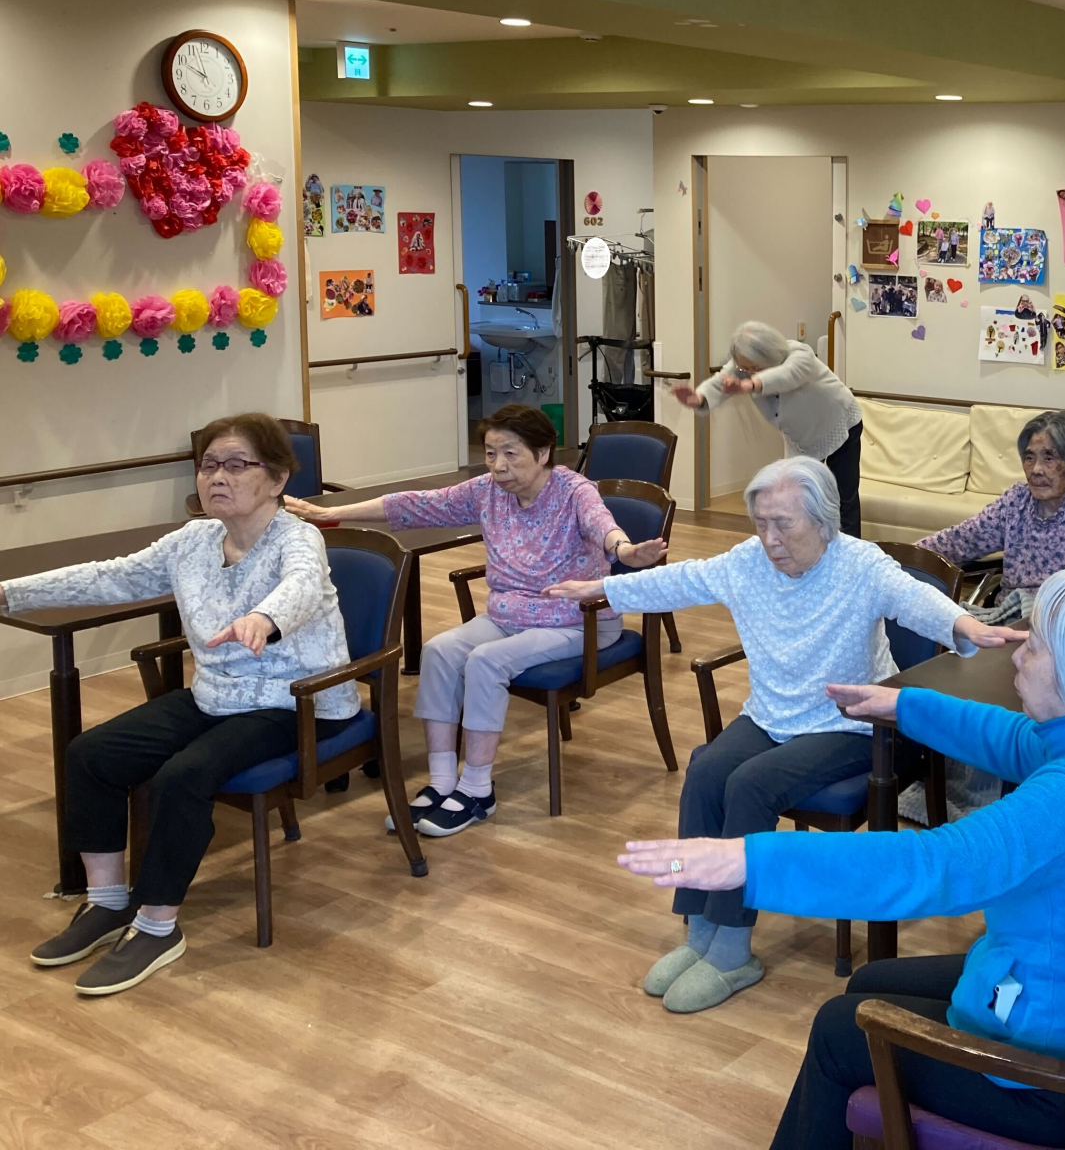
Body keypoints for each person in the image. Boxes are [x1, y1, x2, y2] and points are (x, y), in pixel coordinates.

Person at [616, 564, 1065, 1149]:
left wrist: (749, 862)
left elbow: (933, 866)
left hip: (1057, 1079)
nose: (1018, 656)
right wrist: (903, 706)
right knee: (871, 982)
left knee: (840, 1030)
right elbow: (1013, 738)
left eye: (1034, 647)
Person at [545, 457, 1017, 1014]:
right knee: (705, 771)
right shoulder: (747, 562)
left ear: (823, 520)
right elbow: (681, 579)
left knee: (750, 785)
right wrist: (602, 588)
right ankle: (699, 933)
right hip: (771, 715)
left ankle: (731, 950)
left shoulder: (860, 564)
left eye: (784, 524)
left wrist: (966, 626)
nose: (770, 539)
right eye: (761, 522)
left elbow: (915, 599)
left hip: (849, 723)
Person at [5, 414, 355, 996]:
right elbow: (110, 578)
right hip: (215, 695)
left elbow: (299, 586)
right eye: (209, 464)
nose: (218, 476)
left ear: (276, 479)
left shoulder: (298, 538)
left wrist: (263, 619)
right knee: (91, 754)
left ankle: (157, 926)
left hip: (295, 700)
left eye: (237, 464)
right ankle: (108, 902)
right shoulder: (192, 541)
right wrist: (11, 592)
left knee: (182, 776)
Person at [286, 403, 662, 836]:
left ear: (543, 453)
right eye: (490, 453)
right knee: (438, 652)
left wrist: (625, 551)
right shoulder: (488, 491)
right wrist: (328, 514)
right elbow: (415, 506)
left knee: (486, 661)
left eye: (510, 454)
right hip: (510, 615)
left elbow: (603, 526)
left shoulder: (574, 491)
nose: (498, 466)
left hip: (577, 620)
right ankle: (443, 781)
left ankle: (478, 789)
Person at [917, 410, 1065, 627]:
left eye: (1049, 458)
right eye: (1029, 458)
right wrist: (904, 556)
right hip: (1011, 622)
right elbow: (961, 540)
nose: (1036, 470)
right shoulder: (1016, 501)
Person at [672, 319, 865, 536]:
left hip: (839, 421)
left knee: (843, 497)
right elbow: (720, 382)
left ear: (770, 354)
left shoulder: (799, 354)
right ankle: (805, 545)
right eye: (744, 368)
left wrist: (750, 384)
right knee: (801, 495)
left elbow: (788, 375)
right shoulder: (741, 367)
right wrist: (698, 398)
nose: (748, 372)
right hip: (801, 437)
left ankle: (852, 550)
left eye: (755, 368)